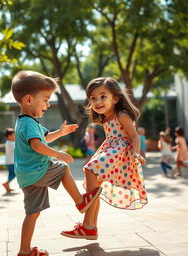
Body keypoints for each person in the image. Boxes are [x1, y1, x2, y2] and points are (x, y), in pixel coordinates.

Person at [11, 70, 102, 256]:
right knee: (62, 167)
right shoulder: (29, 123)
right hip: (37, 170)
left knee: (32, 213)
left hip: (27, 176)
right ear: (29, 100)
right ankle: (80, 201)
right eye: (45, 99)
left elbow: (44, 138)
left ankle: (24, 251)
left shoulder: (26, 122)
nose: (48, 104)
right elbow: (37, 145)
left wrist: (60, 133)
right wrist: (57, 154)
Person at [61, 77, 148, 240]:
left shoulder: (121, 115)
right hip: (110, 148)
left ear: (115, 98)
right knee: (94, 188)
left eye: (103, 96)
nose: (97, 101)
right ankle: (91, 228)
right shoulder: (104, 118)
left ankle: (87, 225)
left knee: (90, 169)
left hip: (121, 150)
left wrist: (136, 153)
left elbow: (134, 136)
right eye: (93, 98)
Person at [2, 128, 16, 192]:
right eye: (13, 135)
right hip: (11, 162)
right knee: (14, 174)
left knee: (10, 174)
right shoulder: (10, 143)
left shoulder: (10, 142)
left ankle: (7, 187)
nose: (15, 136)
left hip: (9, 161)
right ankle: (6, 183)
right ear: (9, 136)